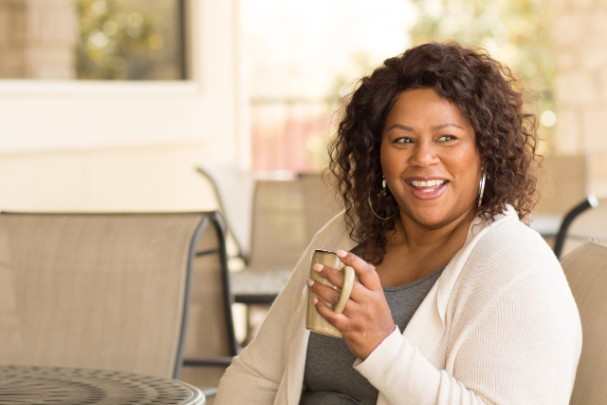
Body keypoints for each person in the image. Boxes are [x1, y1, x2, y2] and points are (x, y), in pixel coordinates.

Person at [215, 41, 582, 404]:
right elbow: (257, 374)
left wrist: (381, 346)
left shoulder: (517, 267)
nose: (423, 158)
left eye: (447, 138)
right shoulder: (349, 233)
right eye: (403, 139)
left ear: (485, 150)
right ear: (378, 154)